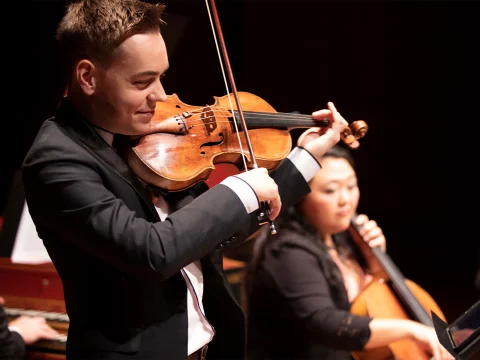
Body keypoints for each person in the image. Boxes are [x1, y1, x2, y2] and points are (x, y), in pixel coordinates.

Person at [21, 0, 353, 359]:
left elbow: (212, 235)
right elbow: (152, 252)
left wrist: (306, 157)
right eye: (142, 82)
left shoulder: (141, 139)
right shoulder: (57, 159)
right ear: (88, 77)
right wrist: (239, 188)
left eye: (161, 77)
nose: (161, 96)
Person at [246, 144, 453, 360]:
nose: (345, 200)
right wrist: (411, 329)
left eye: (351, 186)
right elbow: (327, 323)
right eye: (330, 190)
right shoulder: (287, 251)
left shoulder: (342, 239)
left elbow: (371, 303)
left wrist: (374, 260)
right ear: (300, 198)